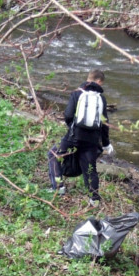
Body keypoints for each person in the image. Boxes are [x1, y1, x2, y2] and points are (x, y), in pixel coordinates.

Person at [48, 69, 113, 206]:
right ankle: (94, 199)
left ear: (88, 78)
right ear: (99, 81)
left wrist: (73, 127)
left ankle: (59, 188)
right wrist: (106, 143)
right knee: (90, 168)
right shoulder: (101, 98)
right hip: (92, 140)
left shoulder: (77, 94)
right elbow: (104, 123)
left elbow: (68, 115)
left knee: (54, 155)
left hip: (74, 137)